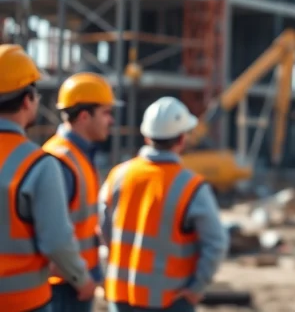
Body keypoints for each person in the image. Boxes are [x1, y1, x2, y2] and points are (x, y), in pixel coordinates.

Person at [98, 96, 228, 312]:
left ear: (147, 137)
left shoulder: (118, 175)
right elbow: (216, 243)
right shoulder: (192, 186)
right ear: (181, 140)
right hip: (170, 300)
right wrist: (197, 287)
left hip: (120, 296)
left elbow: (104, 229)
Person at [0, 44, 97, 312]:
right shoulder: (38, 165)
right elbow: (56, 241)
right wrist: (82, 280)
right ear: (27, 100)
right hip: (22, 302)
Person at [44, 72, 119, 312]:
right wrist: (81, 280)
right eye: (106, 113)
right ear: (84, 116)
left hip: (75, 283)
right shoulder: (59, 160)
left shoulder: (79, 155)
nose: (112, 121)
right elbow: (50, 235)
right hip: (65, 288)